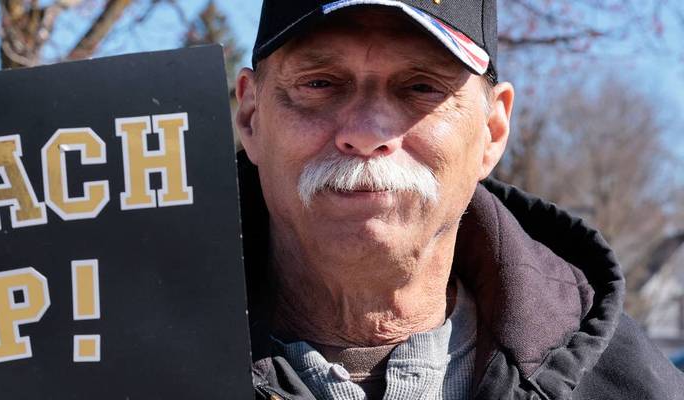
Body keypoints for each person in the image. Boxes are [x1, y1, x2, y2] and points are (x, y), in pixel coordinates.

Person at [233, 1, 684, 398]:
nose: (367, 134)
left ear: (492, 131)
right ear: (251, 115)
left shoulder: (634, 387)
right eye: (320, 83)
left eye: (421, 87)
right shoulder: (183, 357)